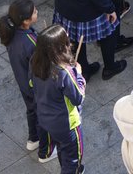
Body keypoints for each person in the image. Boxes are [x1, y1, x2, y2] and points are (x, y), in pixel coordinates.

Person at [30, 24, 88, 174]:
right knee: (73, 159)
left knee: (63, 148)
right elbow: (78, 97)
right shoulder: (63, 72)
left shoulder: (34, 62)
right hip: (67, 124)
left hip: (45, 118)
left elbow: (31, 84)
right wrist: (79, 75)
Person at [0, 0, 50, 160]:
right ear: (25, 20)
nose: (37, 12)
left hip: (24, 83)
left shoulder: (14, 35)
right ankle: (45, 151)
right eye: (34, 12)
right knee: (43, 116)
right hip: (35, 86)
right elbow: (39, 67)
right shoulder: (30, 42)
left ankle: (33, 138)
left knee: (32, 110)